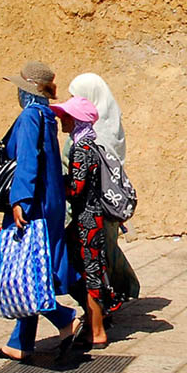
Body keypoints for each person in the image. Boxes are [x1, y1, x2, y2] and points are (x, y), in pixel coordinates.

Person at [0, 61, 78, 362]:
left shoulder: (29, 117)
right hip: (50, 203)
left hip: (33, 204)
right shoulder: (46, 116)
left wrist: (20, 201)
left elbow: (27, 161)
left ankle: (65, 318)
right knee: (31, 267)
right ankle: (20, 342)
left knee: (19, 270)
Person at [52, 96, 122, 349]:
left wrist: (54, 185)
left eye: (67, 117)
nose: (62, 120)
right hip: (90, 219)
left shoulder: (81, 148)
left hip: (86, 221)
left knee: (91, 273)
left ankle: (97, 331)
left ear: (77, 120)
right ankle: (96, 323)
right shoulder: (89, 144)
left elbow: (77, 187)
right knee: (88, 271)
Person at [67, 73, 139, 303]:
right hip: (107, 200)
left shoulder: (90, 133)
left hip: (94, 203)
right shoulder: (111, 124)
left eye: (76, 97)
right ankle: (112, 296)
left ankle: (107, 302)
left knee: (96, 255)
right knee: (104, 251)